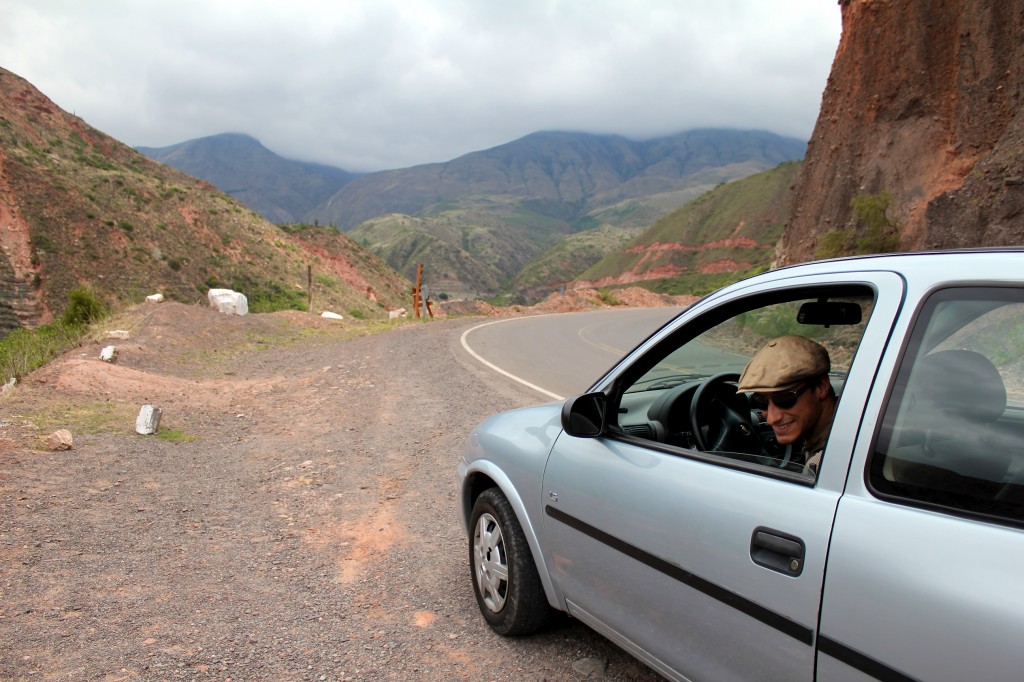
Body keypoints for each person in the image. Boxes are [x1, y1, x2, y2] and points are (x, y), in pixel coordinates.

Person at [736, 335, 837, 475]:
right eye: (761, 402)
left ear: (821, 387)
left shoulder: (827, 465)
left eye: (784, 399)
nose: (771, 419)